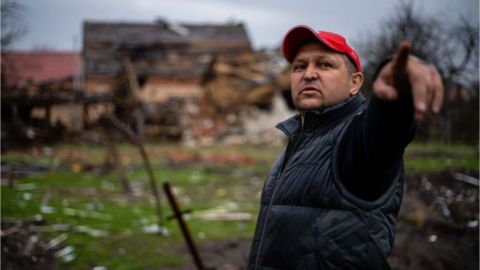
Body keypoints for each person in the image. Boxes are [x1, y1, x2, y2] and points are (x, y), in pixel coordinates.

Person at [247, 25, 443, 269]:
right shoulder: (298, 139)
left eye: (324, 65)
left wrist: (396, 95)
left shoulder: (354, 138)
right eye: (299, 66)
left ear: (355, 82)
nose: (308, 74)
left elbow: (384, 129)